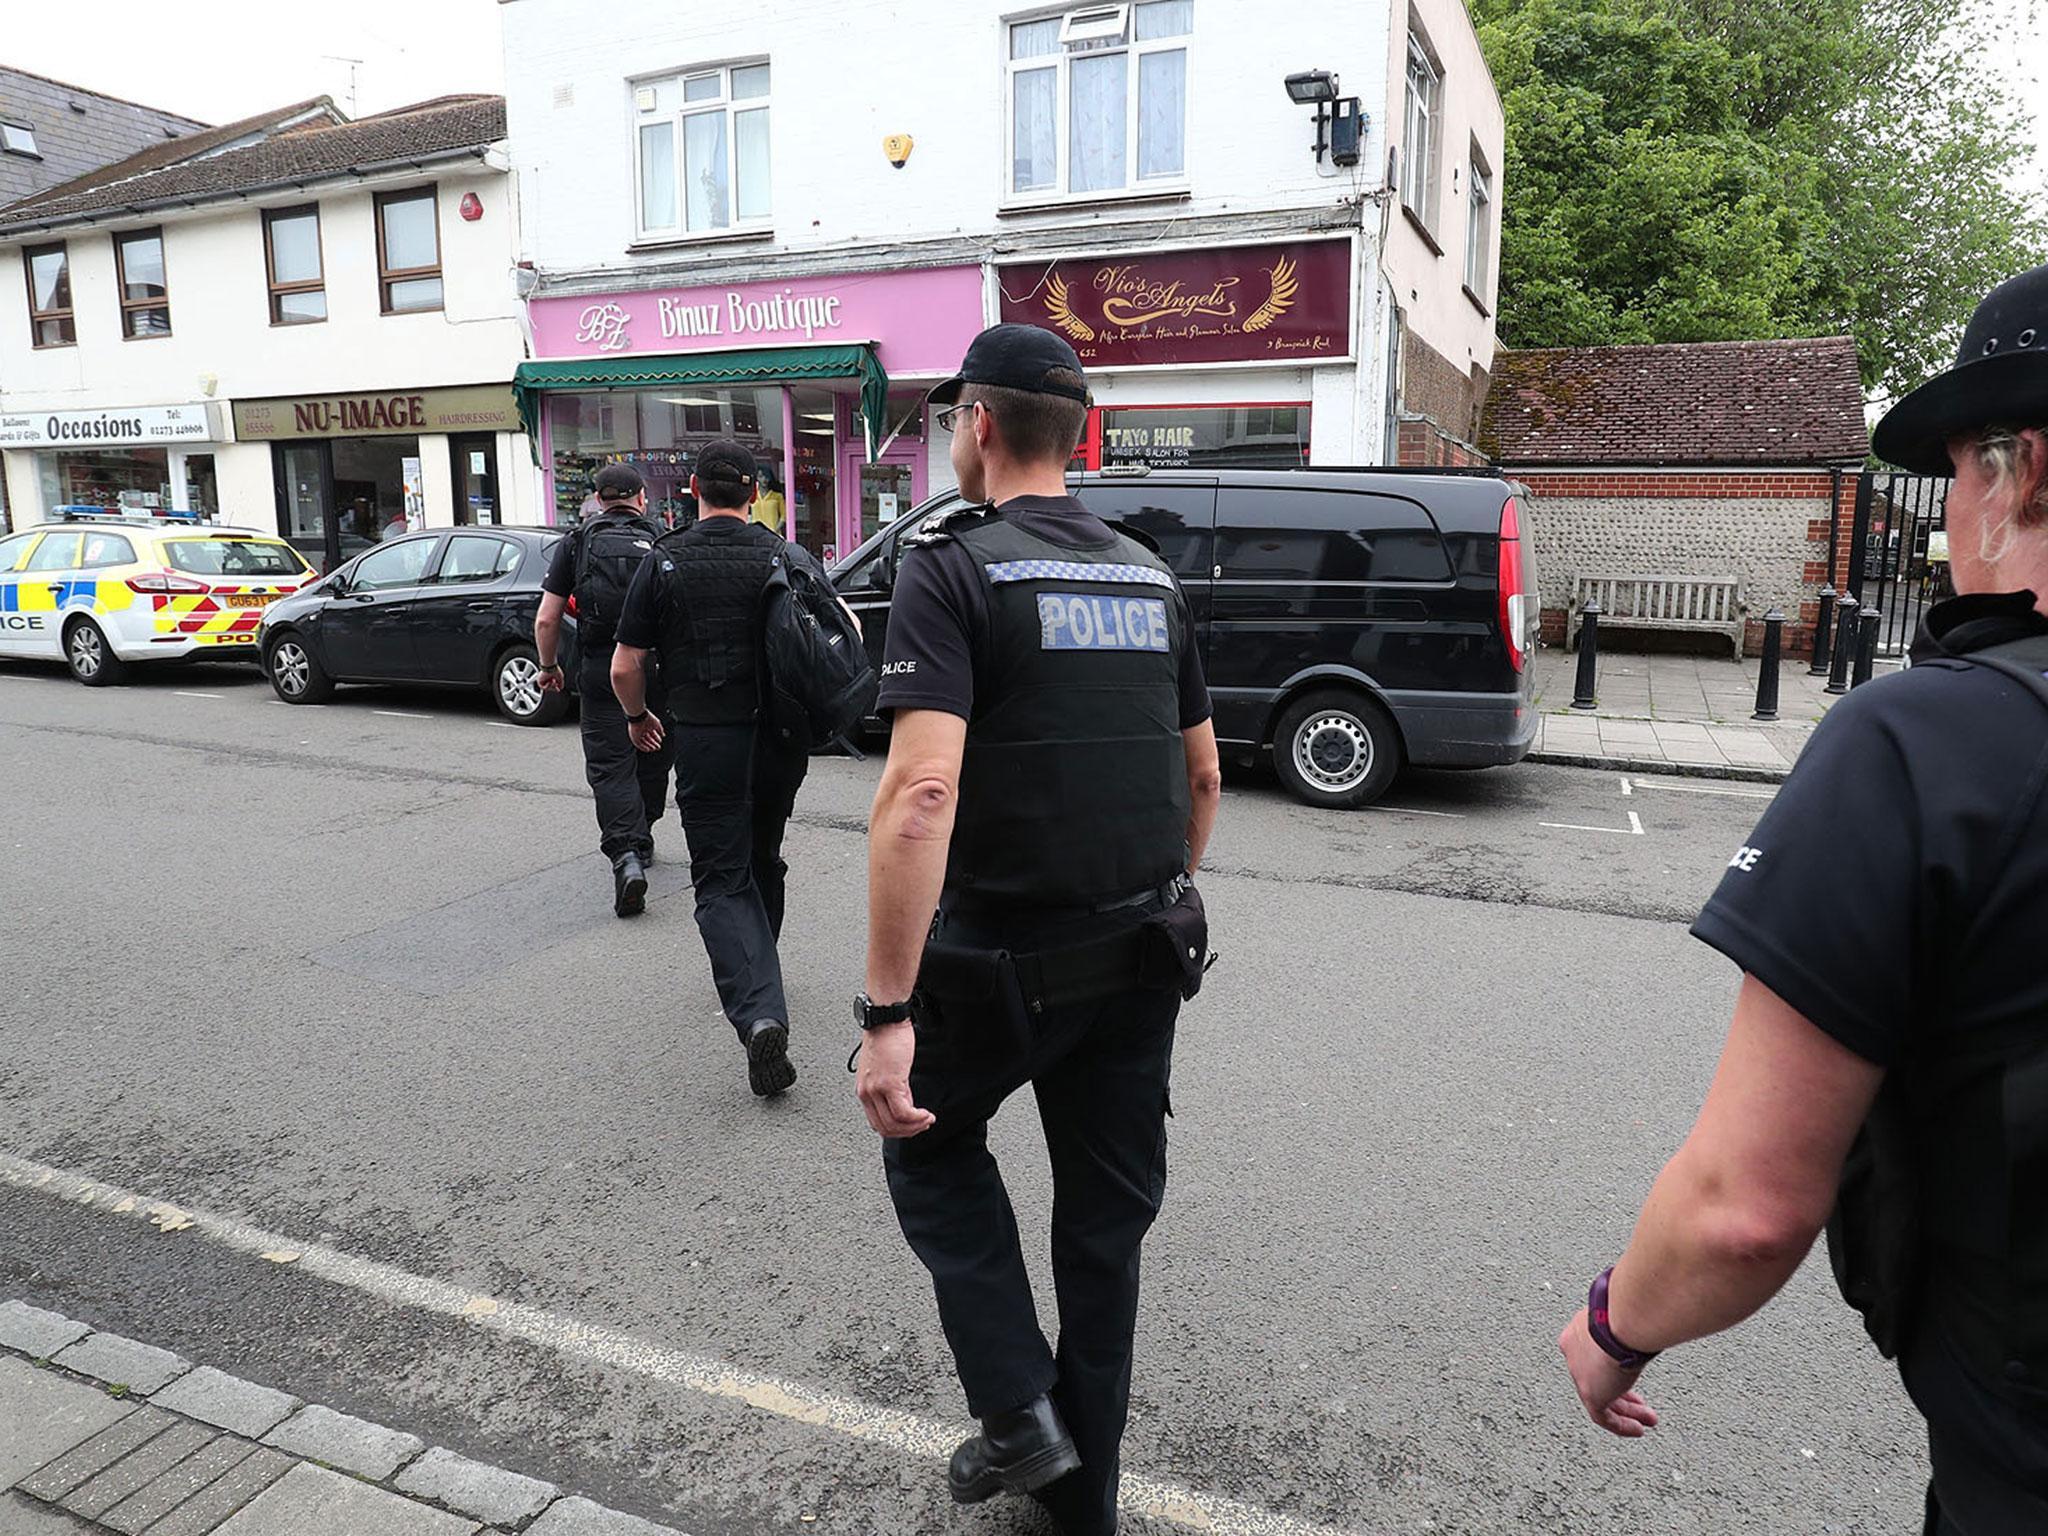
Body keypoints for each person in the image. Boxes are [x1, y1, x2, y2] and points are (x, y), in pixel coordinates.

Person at [1554, 263, 2048, 1535]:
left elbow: (1744, 1206)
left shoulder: (1928, 742)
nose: (1947, 513)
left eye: (1952, 471)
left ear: (2020, 467)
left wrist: (1615, 1325)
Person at [854, 324, 1223, 1536]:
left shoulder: (951, 568)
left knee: (925, 1143)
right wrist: (1151, 888)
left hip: (999, 965)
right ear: (1078, 435)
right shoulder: (1148, 576)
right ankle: (1084, 1510)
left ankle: (1016, 1413)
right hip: (1140, 954)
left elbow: (919, 794)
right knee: (1103, 1239)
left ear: (974, 424)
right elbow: (1203, 780)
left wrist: (885, 1015)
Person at [610, 440, 824, 1098]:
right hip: (779, 740)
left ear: (694, 487)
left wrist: (636, 717)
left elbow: (625, 666)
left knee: (722, 881)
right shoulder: (785, 555)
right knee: (764, 855)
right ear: (754, 490)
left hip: (706, 740)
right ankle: (763, 969)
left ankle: (760, 1009)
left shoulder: (665, 558)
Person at [534, 463, 672, 917]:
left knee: (610, 765)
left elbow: (546, 618)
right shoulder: (660, 538)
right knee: (652, 753)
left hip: (598, 667)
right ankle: (644, 834)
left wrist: (549, 666)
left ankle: (626, 854)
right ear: (641, 498)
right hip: (654, 666)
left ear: (597, 498)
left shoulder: (577, 542)